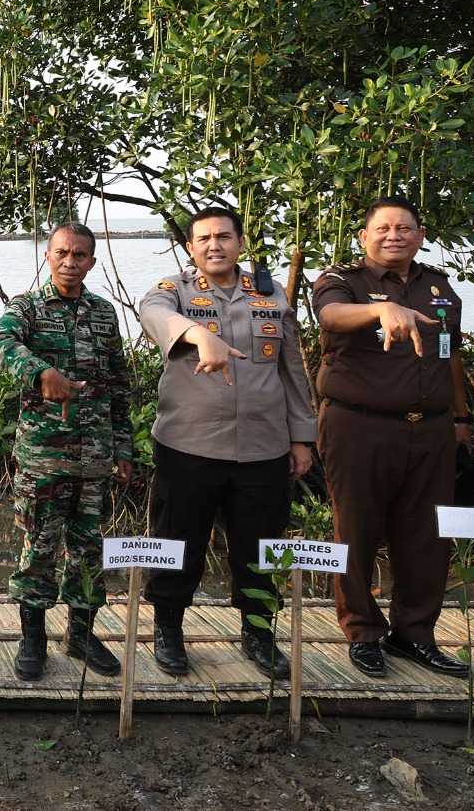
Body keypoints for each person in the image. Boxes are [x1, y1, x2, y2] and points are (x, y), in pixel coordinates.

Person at [139, 207, 316, 678]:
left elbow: (292, 371)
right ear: (191, 248)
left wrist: (303, 438)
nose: (214, 245)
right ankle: (168, 629)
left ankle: (258, 631)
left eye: (223, 236)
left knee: (261, 545)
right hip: (188, 445)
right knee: (178, 541)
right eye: (204, 239)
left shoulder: (270, 294)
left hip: (265, 446)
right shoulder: (172, 291)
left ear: (240, 242)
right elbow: (151, 313)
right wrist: (199, 334)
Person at [314, 195, 469, 678]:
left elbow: (451, 355)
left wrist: (462, 422)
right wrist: (381, 312)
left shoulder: (440, 287)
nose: (393, 235)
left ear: (420, 236)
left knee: (428, 535)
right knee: (356, 530)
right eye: (382, 228)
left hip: (433, 430)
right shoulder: (342, 281)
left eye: (404, 228)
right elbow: (331, 317)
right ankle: (362, 632)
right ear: (364, 237)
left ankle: (414, 634)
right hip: (359, 425)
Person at [0, 222, 133, 680]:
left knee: (89, 549)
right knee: (40, 546)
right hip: (43, 456)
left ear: (92, 261)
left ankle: (81, 634)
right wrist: (38, 371)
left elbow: (120, 385)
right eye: (62, 253)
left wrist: (124, 448)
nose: (70, 262)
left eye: (80, 255)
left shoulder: (105, 313)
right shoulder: (26, 307)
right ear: (47, 256)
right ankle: (32, 636)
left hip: (95, 455)